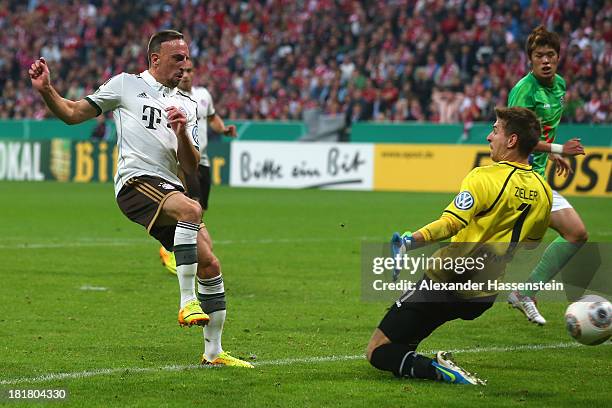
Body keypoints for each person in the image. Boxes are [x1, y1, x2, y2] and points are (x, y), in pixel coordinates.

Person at [29, 29, 252, 368]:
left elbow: (190, 167)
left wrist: (180, 132)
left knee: (211, 262)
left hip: (169, 187)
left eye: (188, 58)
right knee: (192, 208)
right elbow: (74, 113)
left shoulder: (188, 105)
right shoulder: (125, 85)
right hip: (135, 183)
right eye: (178, 58)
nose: (186, 65)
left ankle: (214, 353)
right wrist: (47, 90)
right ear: (155, 59)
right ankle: (187, 301)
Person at [367, 107, 552, 385]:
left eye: (495, 130)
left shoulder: (484, 177)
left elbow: (451, 222)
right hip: (483, 295)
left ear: (511, 140)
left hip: (447, 280)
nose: (490, 137)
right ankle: (415, 358)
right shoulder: (544, 191)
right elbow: (530, 243)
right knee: (404, 344)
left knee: (377, 351)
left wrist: (411, 240)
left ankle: (440, 370)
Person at [506, 26, 588, 325]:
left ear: (558, 57)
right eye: (539, 55)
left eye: (550, 55)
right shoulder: (524, 90)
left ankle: (525, 292)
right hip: (515, 177)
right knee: (491, 245)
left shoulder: (561, 85)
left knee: (576, 233)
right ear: (530, 59)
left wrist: (551, 153)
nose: (545, 60)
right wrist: (559, 148)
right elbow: (515, 137)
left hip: (537, 177)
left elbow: (540, 130)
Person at [159, 58, 236, 275]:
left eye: (189, 71)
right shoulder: (171, 97)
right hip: (184, 162)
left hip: (203, 161)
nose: (185, 75)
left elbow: (212, 117)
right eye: (181, 71)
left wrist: (223, 130)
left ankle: (178, 249)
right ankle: (174, 250)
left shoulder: (203, 96)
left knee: (200, 211)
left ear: (195, 73)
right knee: (192, 206)